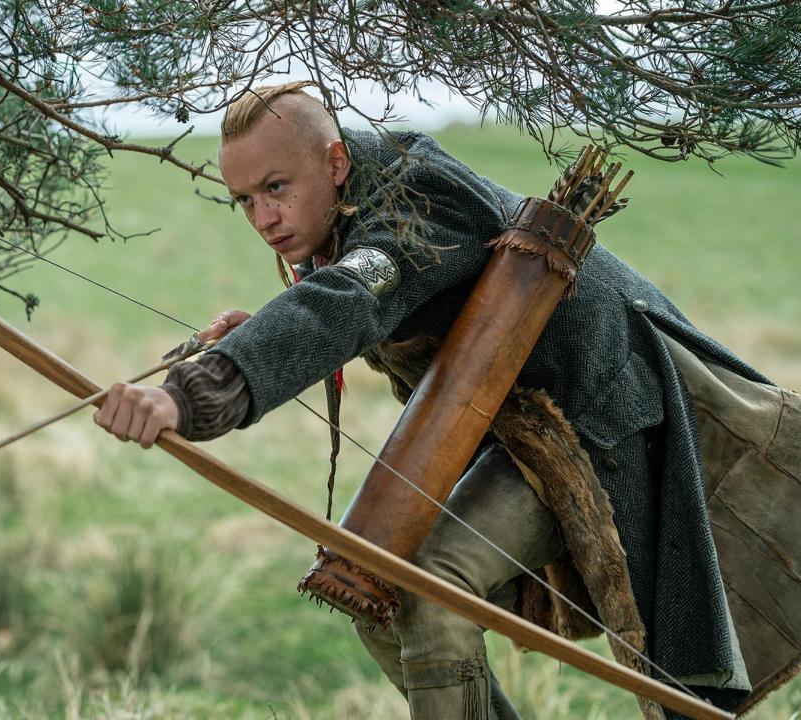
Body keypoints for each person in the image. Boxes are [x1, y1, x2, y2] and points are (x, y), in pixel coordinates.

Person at [93, 81, 763, 719]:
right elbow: (367, 300)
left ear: (333, 161)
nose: (264, 217)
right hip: (514, 424)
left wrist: (191, 395)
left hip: (601, 418)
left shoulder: (412, 195)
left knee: (427, 587)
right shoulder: (339, 206)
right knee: (370, 587)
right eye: (244, 199)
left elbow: (351, 299)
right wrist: (260, 337)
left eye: (276, 188)